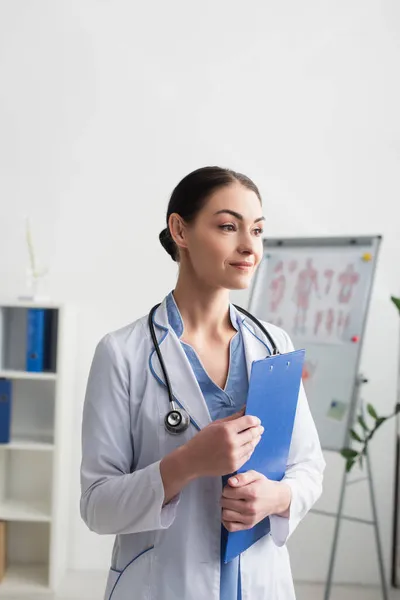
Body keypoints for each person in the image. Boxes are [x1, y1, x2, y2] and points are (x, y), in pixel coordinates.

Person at [80, 166, 326, 600]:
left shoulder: (274, 345)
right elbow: (97, 507)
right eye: (228, 227)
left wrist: (277, 497)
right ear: (180, 230)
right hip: (163, 584)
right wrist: (189, 461)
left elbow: (308, 467)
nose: (250, 246)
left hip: (261, 581)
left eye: (258, 230)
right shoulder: (122, 353)